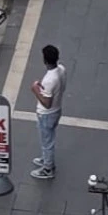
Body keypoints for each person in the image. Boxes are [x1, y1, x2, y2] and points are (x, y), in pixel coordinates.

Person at [31, 43, 66, 179]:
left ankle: (48, 168)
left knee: (47, 142)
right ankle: (46, 159)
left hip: (47, 114)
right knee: (47, 139)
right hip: (56, 110)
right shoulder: (62, 69)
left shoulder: (50, 79)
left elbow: (46, 103)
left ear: (45, 61)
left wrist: (35, 90)